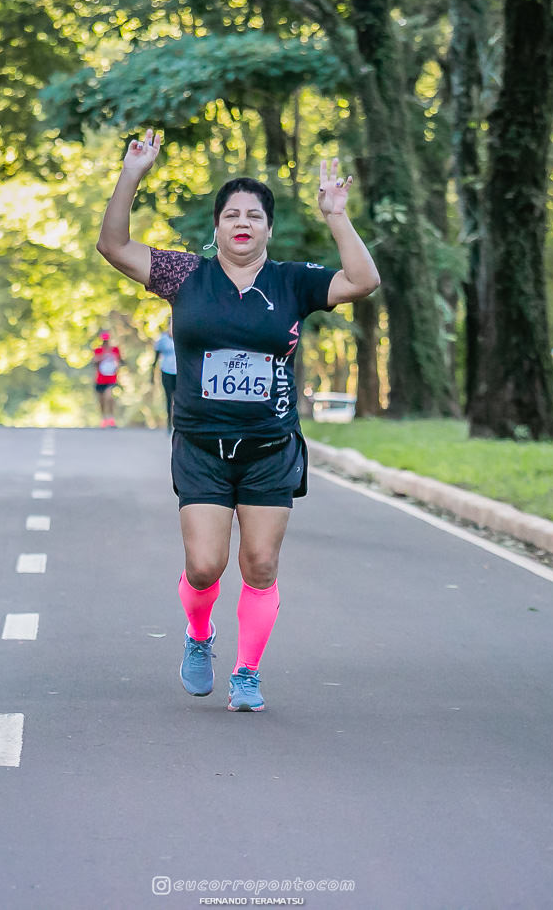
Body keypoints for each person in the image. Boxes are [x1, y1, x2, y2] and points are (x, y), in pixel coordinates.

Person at [97, 129, 380, 712]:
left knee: (261, 563)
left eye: (254, 215)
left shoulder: (293, 281)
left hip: (270, 447)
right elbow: (114, 245)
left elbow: (362, 280)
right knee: (205, 566)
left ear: (268, 229)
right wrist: (132, 174)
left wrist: (336, 216)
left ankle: (247, 672)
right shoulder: (185, 275)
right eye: (232, 214)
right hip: (202, 446)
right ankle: (199, 633)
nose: (243, 222)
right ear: (218, 228)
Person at [93, 330, 123, 427]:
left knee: (109, 397)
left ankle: (111, 418)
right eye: (104, 340)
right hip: (100, 379)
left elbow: (119, 362)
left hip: (111, 378)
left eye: (106, 340)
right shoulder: (98, 350)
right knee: (101, 400)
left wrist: (117, 368)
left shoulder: (115, 350)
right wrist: (102, 357)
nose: (105, 342)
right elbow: (94, 363)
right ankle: (104, 418)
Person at [153, 327, 177, 431]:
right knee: (168, 397)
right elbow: (156, 356)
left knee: (179, 398)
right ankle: (168, 423)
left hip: (180, 372)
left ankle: (177, 422)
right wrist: (152, 375)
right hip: (166, 371)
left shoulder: (180, 336)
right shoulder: (162, 339)